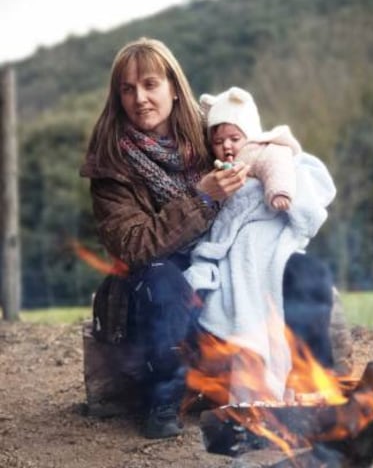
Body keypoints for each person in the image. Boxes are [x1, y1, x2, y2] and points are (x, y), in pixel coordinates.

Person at [80, 38, 250, 439]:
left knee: (283, 268)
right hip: (148, 274)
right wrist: (203, 195)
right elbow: (135, 245)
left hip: (219, 250)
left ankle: (291, 384)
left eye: (150, 84)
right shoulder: (110, 161)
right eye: (128, 89)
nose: (140, 98)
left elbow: (263, 148)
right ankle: (163, 401)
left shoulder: (211, 130)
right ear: (117, 95)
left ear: (174, 86)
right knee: (163, 280)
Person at [183, 86, 337, 403]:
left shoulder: (262, 151)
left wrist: (278, 193)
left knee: (308, 279)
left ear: (249, 136)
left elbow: (277, 169)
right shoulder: (214, 172)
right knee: (228, 297)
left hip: (272, 240)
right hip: (236, 252)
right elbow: (212, 215)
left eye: (234, 138)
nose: (227, 146)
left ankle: (311, 380)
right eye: (218, 140)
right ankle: (251, 386)